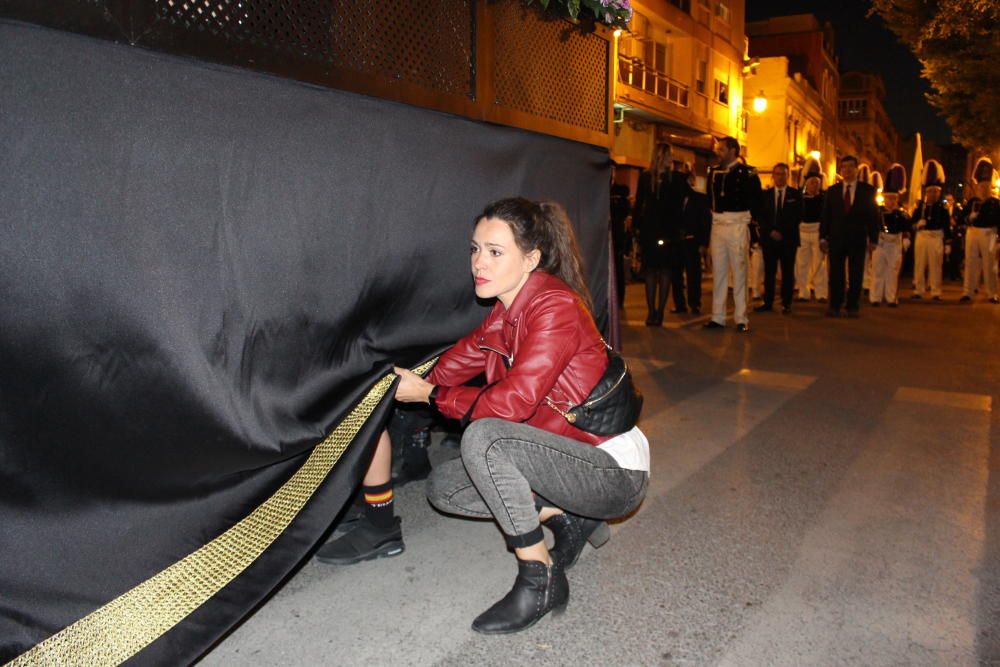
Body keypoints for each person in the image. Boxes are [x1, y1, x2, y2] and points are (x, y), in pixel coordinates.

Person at [382, 197, 649, 634]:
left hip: (612, 471)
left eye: (494, 252)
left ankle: (538, 578)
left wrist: (430, 395)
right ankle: (571, 515)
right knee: (445, 488)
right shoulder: (503, 312)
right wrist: (392, 380)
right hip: (560, 459)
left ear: (531, 259)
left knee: (485, 437)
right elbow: (452, 364)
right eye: (474, 249)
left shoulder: (554, 307)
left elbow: (514, 404)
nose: (478, 263)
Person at [704, 136, 762, 333]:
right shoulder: (713, 172)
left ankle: (741, 317)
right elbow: (708, 200)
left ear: (732, 151)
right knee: (718, 271)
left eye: (721, 150)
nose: (718, 153)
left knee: (739, 272)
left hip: (738, 224)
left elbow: (756, 201)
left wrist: (755, 231)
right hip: (718, 224)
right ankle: (717, 317)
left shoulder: (748, 173)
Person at [820, 155, 880, 318]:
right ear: (841, 170)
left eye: (850, 167)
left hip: (857, 238)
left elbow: (873, 216)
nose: (847, 170)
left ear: (856, 169)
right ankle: (835, 305)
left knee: (856, 273)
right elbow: (826, 216)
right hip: (836, 238)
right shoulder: (832, 191)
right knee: (836, 274)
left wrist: (874, 239)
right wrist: (823, 237)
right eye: (844, 167)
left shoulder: (867, 190)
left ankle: (853, 306)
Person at [633, 144, 684, 325]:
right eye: (670, 155)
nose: (672, 158)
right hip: (650, 229)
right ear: (661, 156)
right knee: (650, 271)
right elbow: (639, 204)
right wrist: (636, 228)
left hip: (669, 230)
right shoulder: (646, 177)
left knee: (665, 271)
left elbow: (680, 207)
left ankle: (660, 311)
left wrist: (680, 230)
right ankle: (651, 310)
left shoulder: (676, 179)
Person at [756, 163, 801, 314]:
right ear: (773, 176)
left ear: (787, 176)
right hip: (769, 239)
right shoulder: (765, 195)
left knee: (788, 272)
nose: (780, 177)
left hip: (788, 240)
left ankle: (786, 303)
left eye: (783, 174)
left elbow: (798, 217)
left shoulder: (795, 195)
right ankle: (767, 302)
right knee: (769, 271)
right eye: (777, 174)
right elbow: (761, 217)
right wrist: (770, 231)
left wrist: (783, 232)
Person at [870, 164, 912, 307]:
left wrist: (906, 239)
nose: (891, 202)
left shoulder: (902, 215)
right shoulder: (878, 212)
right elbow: (873, 226)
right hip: (880, 243)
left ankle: (890, 297)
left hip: (894, 244)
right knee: (878, 270)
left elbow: (906, 228)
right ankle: (875, 297)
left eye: (893, 199)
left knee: (892, 271)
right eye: (889, 199)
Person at [671, 170, 712, 314]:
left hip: (693, 241)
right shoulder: (674, 200)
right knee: (676, 274)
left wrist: (703, 243)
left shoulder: (700, 199)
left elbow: (705, 222)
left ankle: (695, 303)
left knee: (693, 274)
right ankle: (679, 304)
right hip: (677, 241)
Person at [960, 157, 1000, 304]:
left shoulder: (996, 203)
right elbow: (961, 218)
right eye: (981, 186)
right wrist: (968, 217)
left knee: (990, 264)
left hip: (989, 233)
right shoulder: (972, 202)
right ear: (977, 187)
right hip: (973, 232)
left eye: (986, 186)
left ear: (990, 187)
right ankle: (967, 292)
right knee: (970, 263)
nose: (983, 189)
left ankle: (992, 293)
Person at [910, 159, 951, 300]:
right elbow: (912, 224)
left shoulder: (942, 209)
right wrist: (917, 224)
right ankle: (919, 291)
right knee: (920, 264)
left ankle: (935, 292)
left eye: (936, 191)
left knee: (935, 266)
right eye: (930, 191)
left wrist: (948, 243)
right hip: (922, 236)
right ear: (926, 192)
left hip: (936, 237)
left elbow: (946, 226)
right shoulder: (920, 207)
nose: (933, 194)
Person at [795, 157, 828, 303]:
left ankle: (821, 293)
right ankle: (803, 292)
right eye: (812, 182)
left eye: (817, 182)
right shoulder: (800, 199)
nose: (815, 185)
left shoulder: (824, 199)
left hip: (817, 232)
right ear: (806, 184)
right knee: (802, 264)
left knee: (819, 264)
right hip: (802, 232)